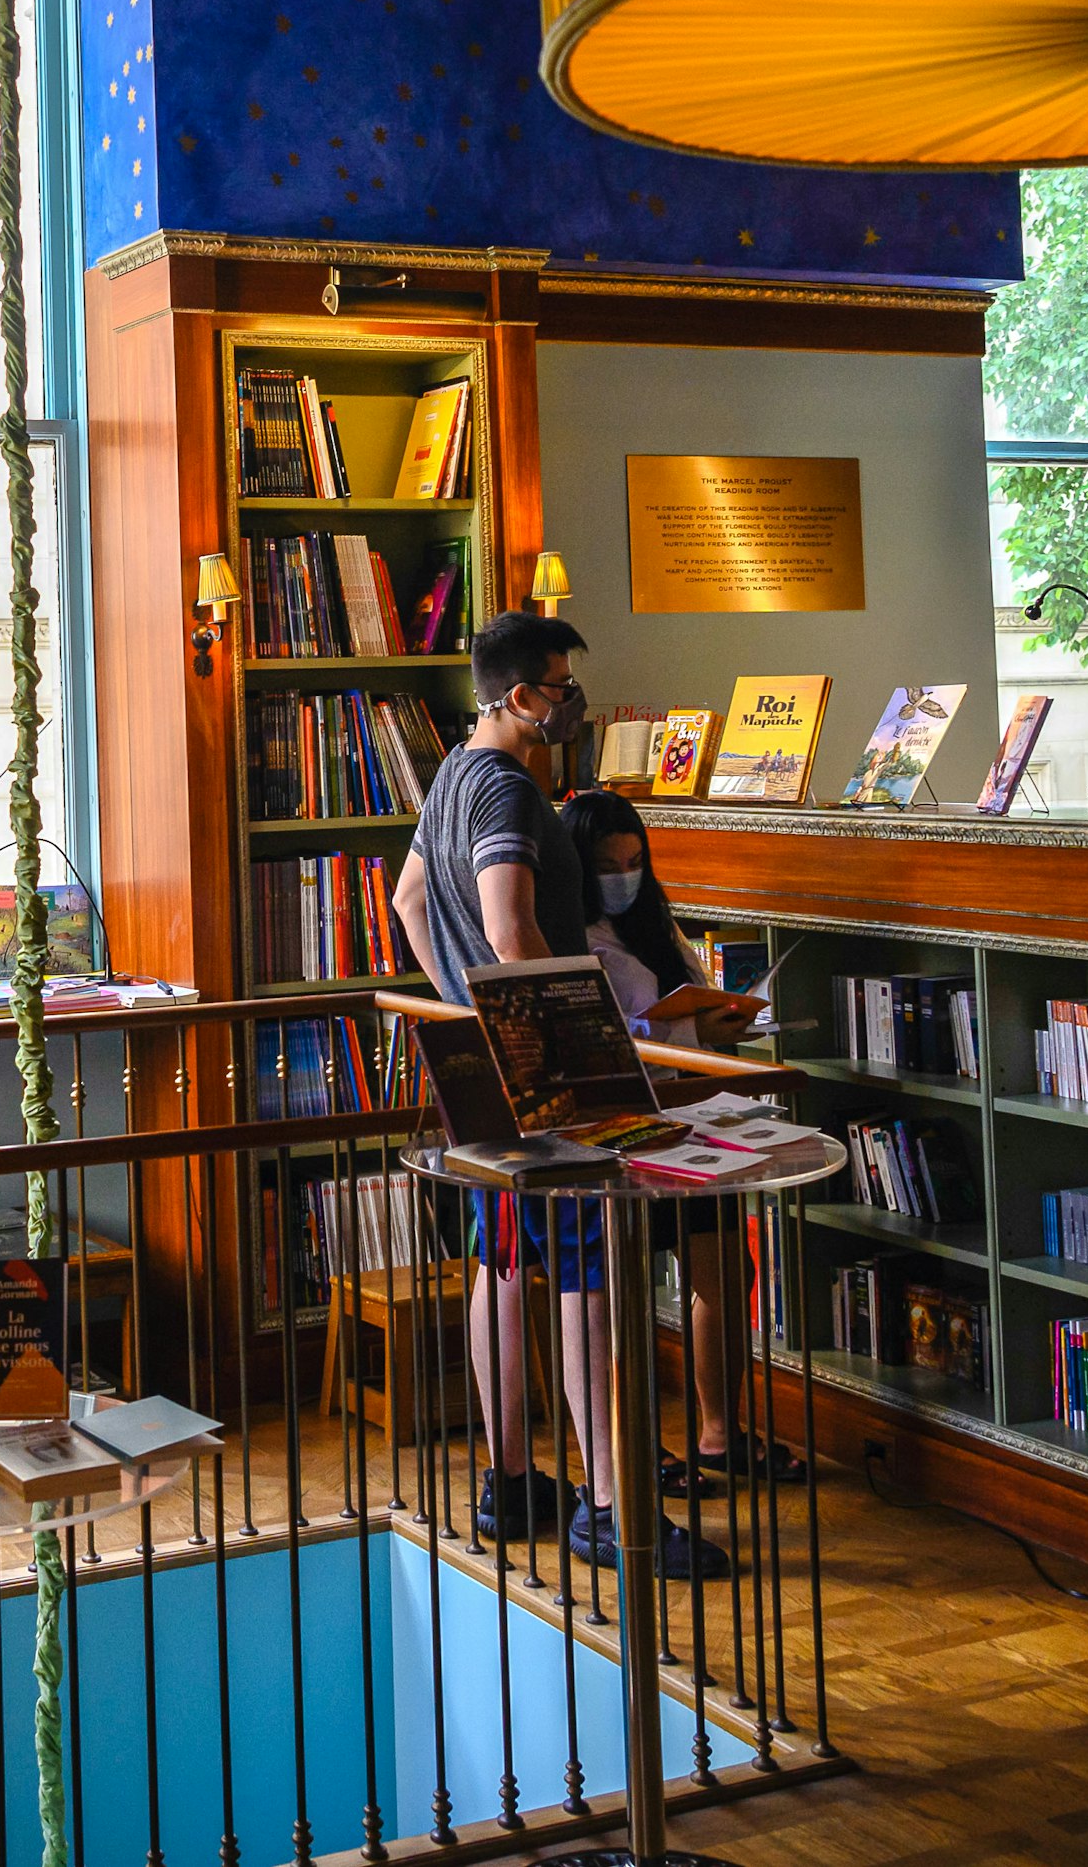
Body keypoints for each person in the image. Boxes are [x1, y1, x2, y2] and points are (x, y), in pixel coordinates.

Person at [390, 612, 729, 1578]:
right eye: (558, 681)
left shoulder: (451, 774)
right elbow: (509, 926)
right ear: (516, 692)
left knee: (504, 1270)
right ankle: (611, 1505)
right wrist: (571, 1036)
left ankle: (509, 1481)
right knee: (588, 1285)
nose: (569, 696)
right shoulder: (504, 788)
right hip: (542, 1076)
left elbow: (412, 900)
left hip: (480, 1068)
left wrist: (461, 1003)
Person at [559, 787, 799, 1492]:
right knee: (619, 1295)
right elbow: (610, 1035)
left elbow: (684, 994)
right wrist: (690, 1033)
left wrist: (723, 1020)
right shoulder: (571, 933)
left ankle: (719, 1432)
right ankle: (629, 1450)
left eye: (636, 860)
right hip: (623, 1129)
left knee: (728, 1269)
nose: (625, 875)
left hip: (694, 1116)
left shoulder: (654, 922)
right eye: (608, 864)